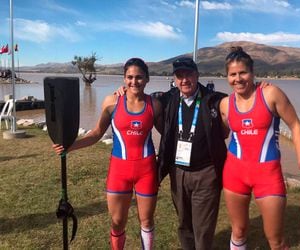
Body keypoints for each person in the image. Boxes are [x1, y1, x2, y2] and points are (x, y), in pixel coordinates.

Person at [52, 58, 163, 250]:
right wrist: (70, 146)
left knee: (146, 221)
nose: (134, 81)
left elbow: (168, 135)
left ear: (147, 79)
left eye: (139, 77)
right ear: (124, 78)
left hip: (147, 170)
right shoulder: (112, 101)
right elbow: (96, 134)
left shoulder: (155, 104)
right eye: (129, 77)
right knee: (117, 221)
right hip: (119, 172)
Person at [219, 47, 300, 250]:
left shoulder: (271, 93)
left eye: (243, 72)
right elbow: (221, 134)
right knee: (238, 231)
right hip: (234, 174)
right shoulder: (225, 104)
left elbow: (296, 126)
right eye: (232, 74)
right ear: (227, 76)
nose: (238, 78)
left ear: (252, 73)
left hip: (267, 176)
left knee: (276, 240)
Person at [157, 57, 228, 250]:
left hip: (206, 173)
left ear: (197, 75)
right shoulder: (168, 99)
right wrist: (121, 92)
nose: (184, 80)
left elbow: (241, 102)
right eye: (180, 75)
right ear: (174, 78)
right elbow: (139, 99)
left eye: (188, 74)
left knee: (203, 227)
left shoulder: (214, 100)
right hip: (177, 172)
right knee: (183, 223)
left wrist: (259, 89)